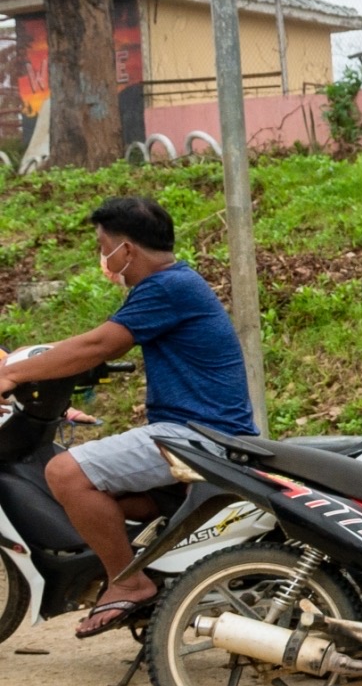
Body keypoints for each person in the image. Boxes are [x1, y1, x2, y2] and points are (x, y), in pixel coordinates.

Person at [0, 195, 256, 636]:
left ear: (127, 249)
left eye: (104, 247)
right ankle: (151, 580)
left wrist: (12, 374)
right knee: (109, 504)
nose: (104, 258)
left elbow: (100, 344)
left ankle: (129, 583)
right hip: (204, 432)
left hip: (196, 435)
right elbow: (97, 349)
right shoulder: (173, 285)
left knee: (66, 473)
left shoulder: (166, 287)